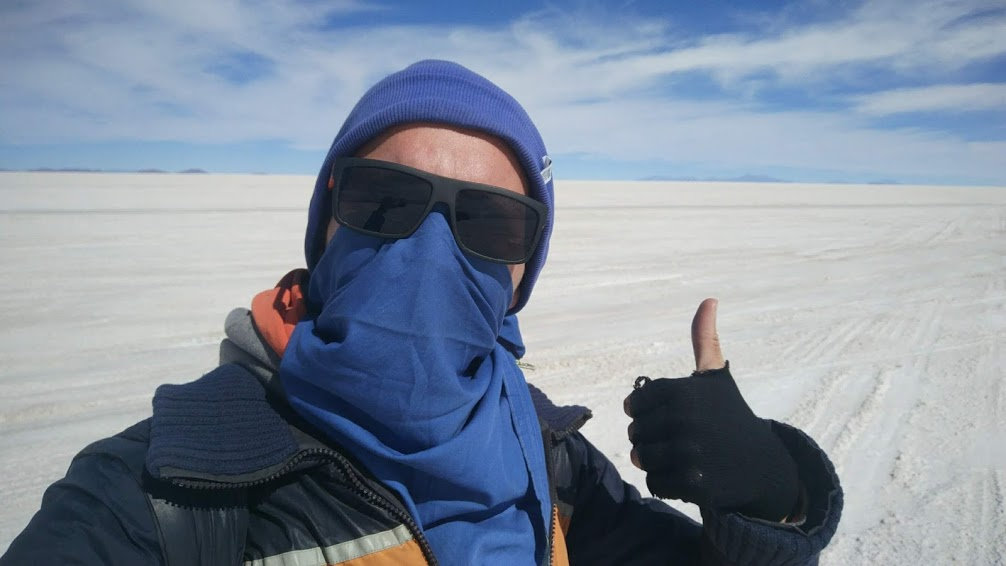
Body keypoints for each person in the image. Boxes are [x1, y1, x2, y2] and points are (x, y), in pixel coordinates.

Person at [1, 60, 842, 565]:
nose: (429, 249)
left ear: (521, 274)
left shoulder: (544, 452)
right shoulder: (169, 489)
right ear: (326, 225)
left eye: (490, 221)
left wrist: (769, 503)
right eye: (386, 200)